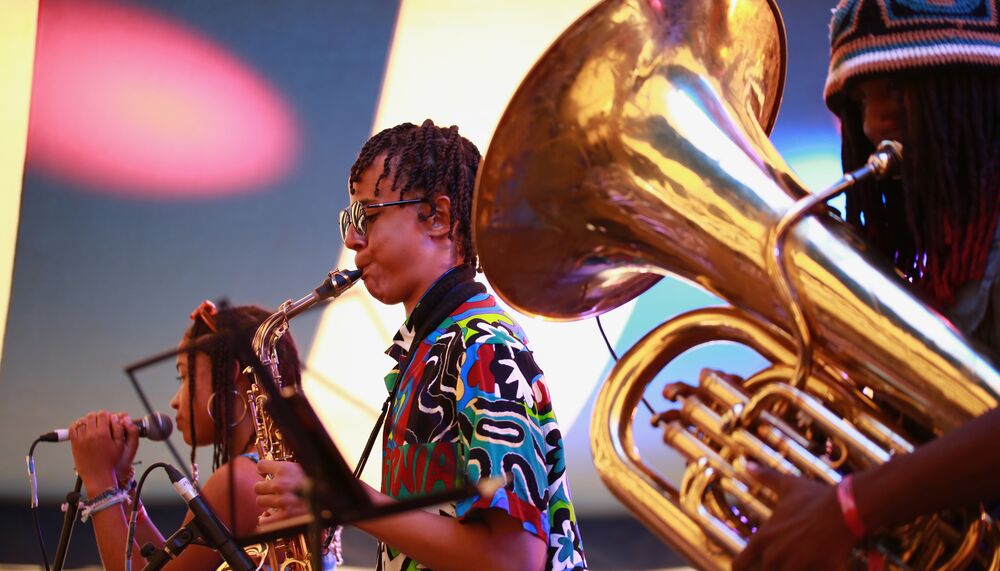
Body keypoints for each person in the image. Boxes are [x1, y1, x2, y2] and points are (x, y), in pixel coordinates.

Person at [733, 1, 1000, 569]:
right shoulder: (945, 272)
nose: (874, 122)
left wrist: (850, 508)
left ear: (972, 90)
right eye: (858, 101)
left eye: (897, 91)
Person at [255, 119, 589, 571]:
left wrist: (345, 499)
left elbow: (513, 560)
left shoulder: (483, 350)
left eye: (368, 217)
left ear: (439, 218)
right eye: (349, 222)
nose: (353, 241)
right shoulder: (431, 351)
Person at [68, 301, 302, 570]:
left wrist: (100, 483)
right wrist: (123, 485)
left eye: (183, 377)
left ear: (229, 375)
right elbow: (162, 565)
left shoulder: (238, 481)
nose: (174, 402)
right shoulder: (285, 471)